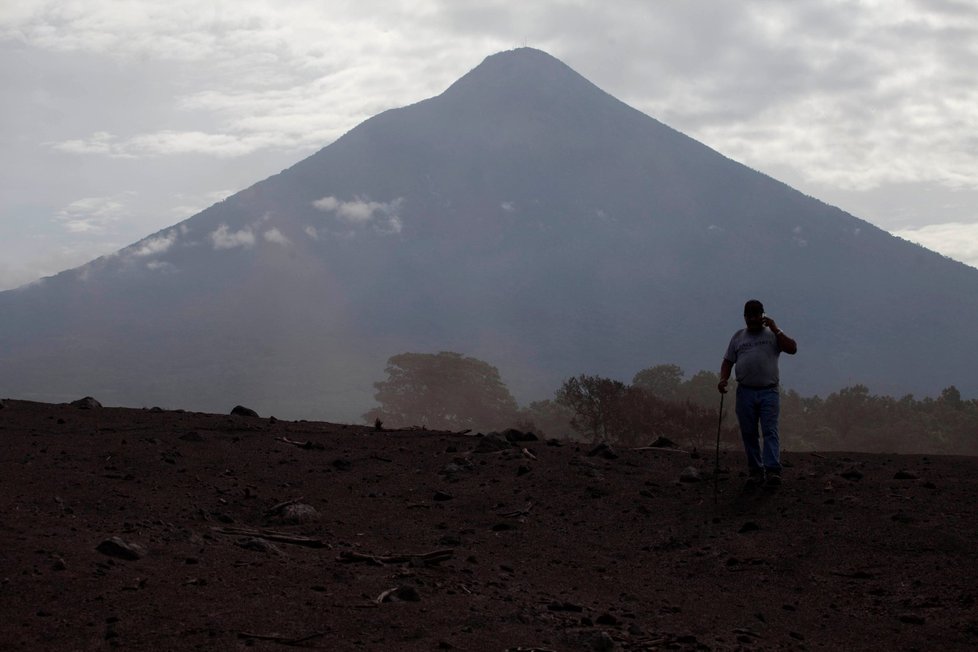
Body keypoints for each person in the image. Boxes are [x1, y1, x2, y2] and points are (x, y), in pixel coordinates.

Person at [717, 299, 797, 488]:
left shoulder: (773, 335)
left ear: (763, 316)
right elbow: (728, 361)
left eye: (756, 315)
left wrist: (776, 329)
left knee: (770, 430)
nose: (752, 319)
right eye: (749, 316)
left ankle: (772, 471)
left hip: (769, 391)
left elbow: (792, 348)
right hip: (745, 392)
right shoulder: (738, 337)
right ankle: (755, 470)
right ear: (744, 317)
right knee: (749, 432)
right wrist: (723, 379)